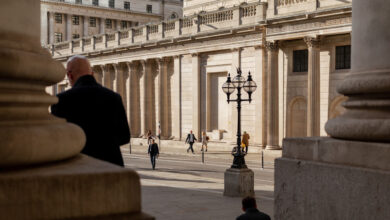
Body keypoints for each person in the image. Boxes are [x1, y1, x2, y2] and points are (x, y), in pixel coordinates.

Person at [51, 55, 130, 167]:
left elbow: (57, 139)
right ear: (92, 73)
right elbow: (124, 136)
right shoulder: (113, 97)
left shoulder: (61, 100)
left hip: (78, 167)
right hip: (110, 166)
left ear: (69, 75)